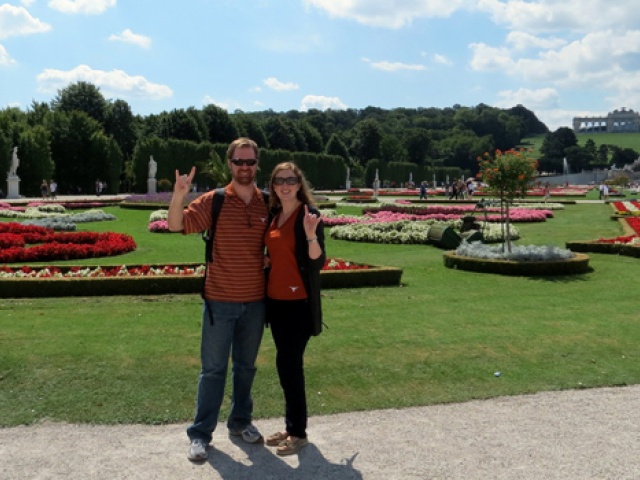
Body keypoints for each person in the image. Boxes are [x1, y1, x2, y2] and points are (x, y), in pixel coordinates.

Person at [168, 138, 269, 462]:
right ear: (230, 164)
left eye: (250, 162)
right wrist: (180, 195)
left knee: (245, 368)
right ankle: (200, 434)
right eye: (239, 162)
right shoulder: (215, 201)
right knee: (212, 370)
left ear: (257, 164)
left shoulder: (267, 203)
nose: (244, 167)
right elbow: (175, 225)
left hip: (255, 302)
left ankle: (240, 422)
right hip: (219, 301)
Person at [263, 162, 325, 456]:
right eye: (279, 180)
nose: (285, 185)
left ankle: (298, 432)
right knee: (285, 365)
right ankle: (291, 427)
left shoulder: (308, 215)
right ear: (273, 185)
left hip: (297, 304)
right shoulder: (275, 216)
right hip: (275, 301)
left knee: (290, 365)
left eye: (290, 179)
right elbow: (277, 254)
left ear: (299, 184)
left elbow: (317, 261)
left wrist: (311, 235)